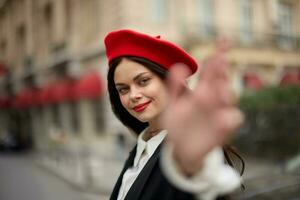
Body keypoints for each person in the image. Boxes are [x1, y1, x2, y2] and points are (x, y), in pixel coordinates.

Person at [104, 29, 245, 200]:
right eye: (123, 89)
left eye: (143, 81)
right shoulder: (140, 150)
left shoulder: (184, 150)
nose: (133, 95)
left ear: (170, 81)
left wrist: (196, 167)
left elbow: (198, 180)